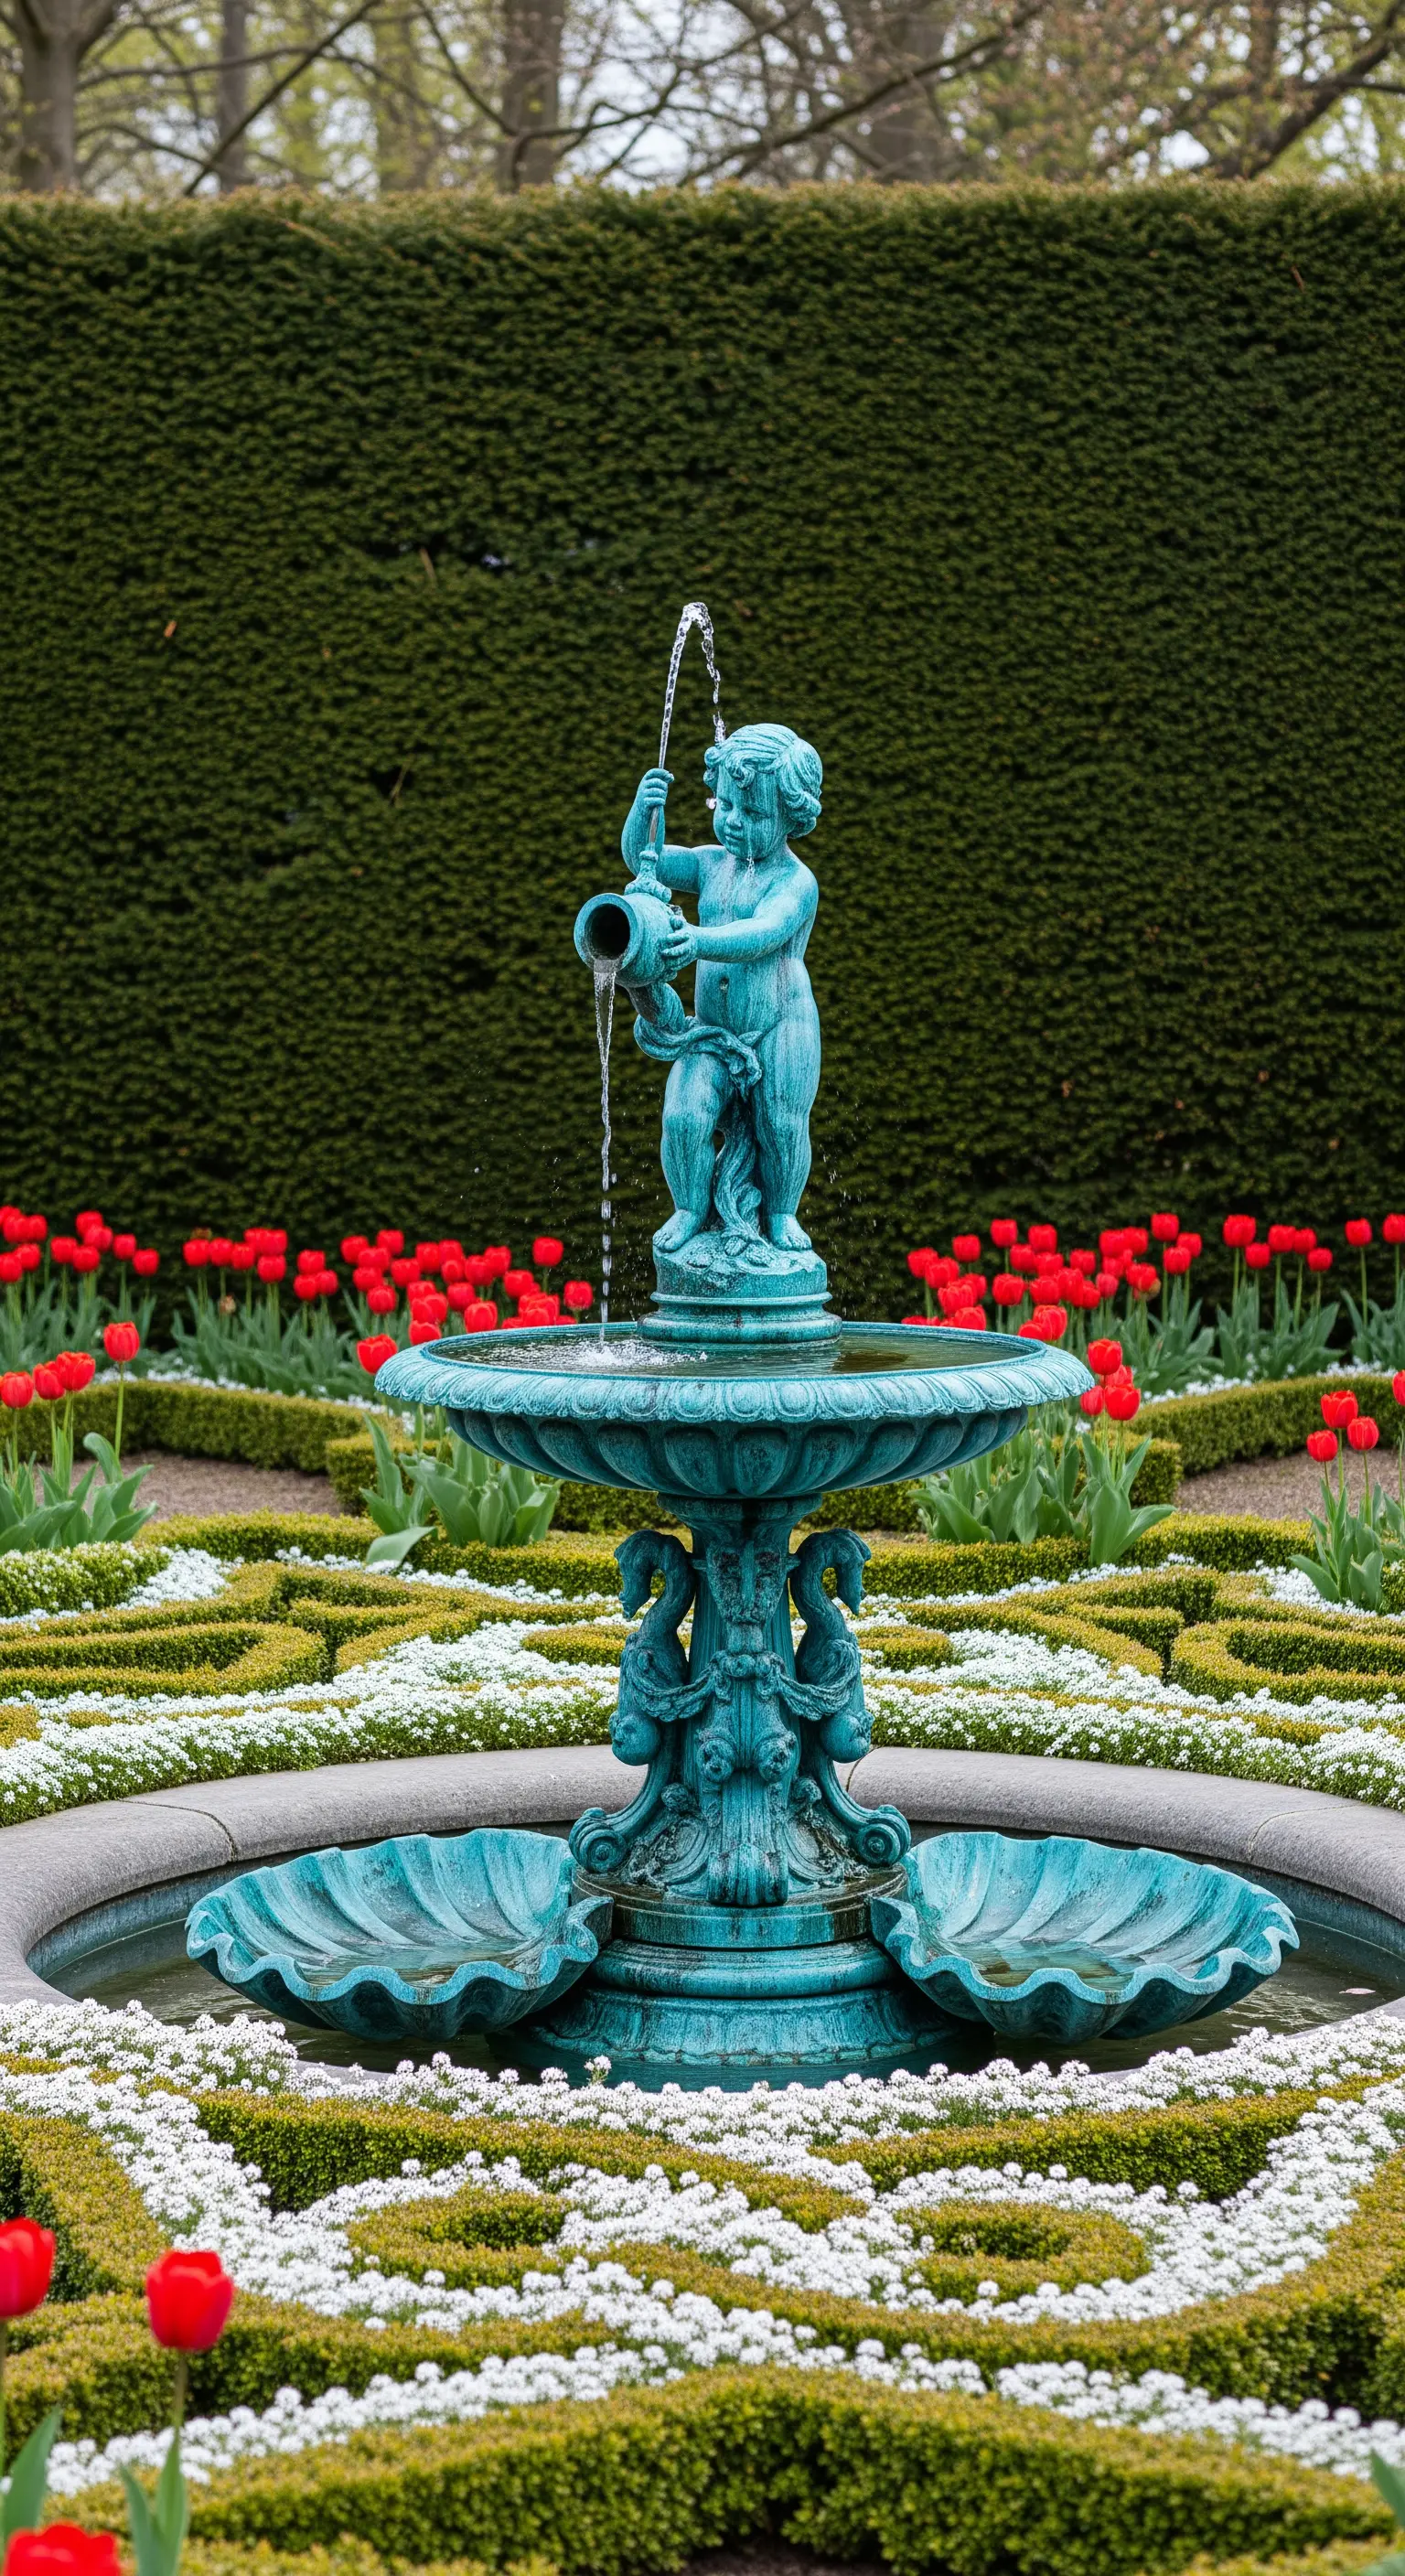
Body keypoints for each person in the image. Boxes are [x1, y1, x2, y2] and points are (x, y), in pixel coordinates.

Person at [620, 722, 823, 1259]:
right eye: (724, 804)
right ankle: (689, 1206)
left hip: (783, 1023)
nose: (733, 822)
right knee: (684, 1115)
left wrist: (698, 940)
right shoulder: (711, 863)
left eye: (753, 813)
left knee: (782, 1123)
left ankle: (781, 1214)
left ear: (791, 817)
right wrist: (643, 813)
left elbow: (762, 934)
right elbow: (646, 861)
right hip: (713, 1029)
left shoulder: (795, 883)